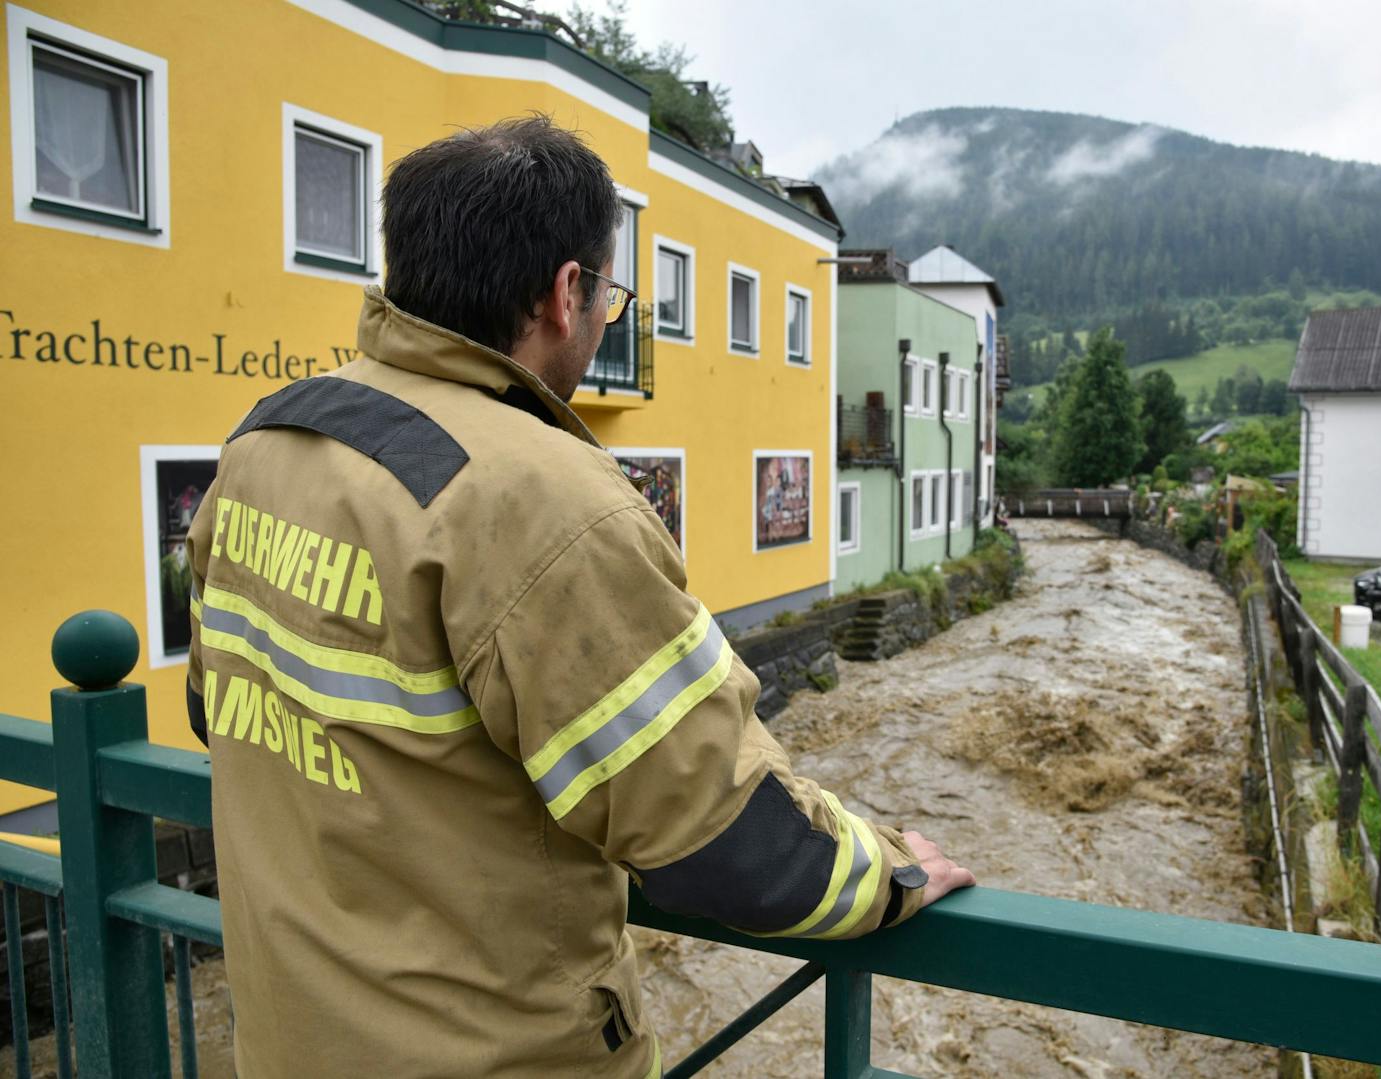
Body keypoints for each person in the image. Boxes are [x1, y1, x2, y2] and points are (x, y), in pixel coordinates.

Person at [184, 115, 974, 1078]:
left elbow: (215, 705)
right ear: (568, 294)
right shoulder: (543, 500)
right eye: (611, 292)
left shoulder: (268, 441)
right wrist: (887, 871)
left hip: (286, 1041)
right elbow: (715, 832)